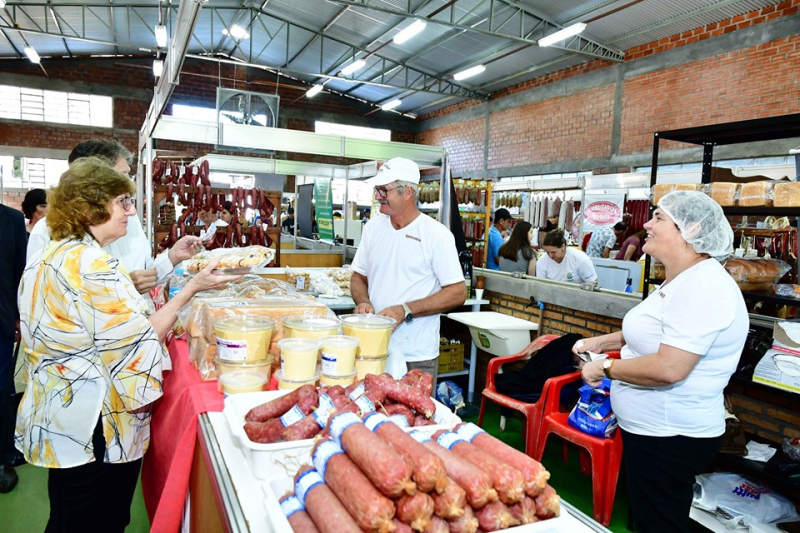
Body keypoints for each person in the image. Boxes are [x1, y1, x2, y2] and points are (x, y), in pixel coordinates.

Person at [15, 158, 239, 532]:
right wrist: (192, 289)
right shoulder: (92, 264)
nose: (131, 211)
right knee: (95, 520)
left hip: (62, 411)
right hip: (94, 422)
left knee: (69, 513)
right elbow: (138, 341)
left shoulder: (53, 254)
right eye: (123, 202)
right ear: (90, 206)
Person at [575, 191, 747, 533]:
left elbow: (670, 368)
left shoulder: (703, 287)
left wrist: (605, 368)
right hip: (653, 432)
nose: (647, 225)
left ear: (691, 230)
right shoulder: (682, 277)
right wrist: (602, 342)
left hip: (671, 435)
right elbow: (657, 331)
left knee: (660, 524)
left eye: (659, 218)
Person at [27, 139, 202, 300]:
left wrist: (173, 257)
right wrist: (122, 287)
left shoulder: (129, 220)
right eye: (123, 175)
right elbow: (43, 298)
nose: (131, 209)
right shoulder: (48, 231)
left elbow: (147, 272)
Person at [350, 157, 466, 381]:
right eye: (377, 190)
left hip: (416, 354)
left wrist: (405, 310)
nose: (378, 197)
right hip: (375, 348)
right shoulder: (373, 228)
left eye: (384, 190)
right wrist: (363, 301)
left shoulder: (436, 235)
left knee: (414, 405)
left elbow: (457, 292)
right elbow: (358, 276)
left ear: (408, 192)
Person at [0, 203, 25, 493]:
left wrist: (18, 316)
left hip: (1, 320)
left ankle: (3, 456)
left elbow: (20, 272)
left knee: (1, 388)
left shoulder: (12, 219)